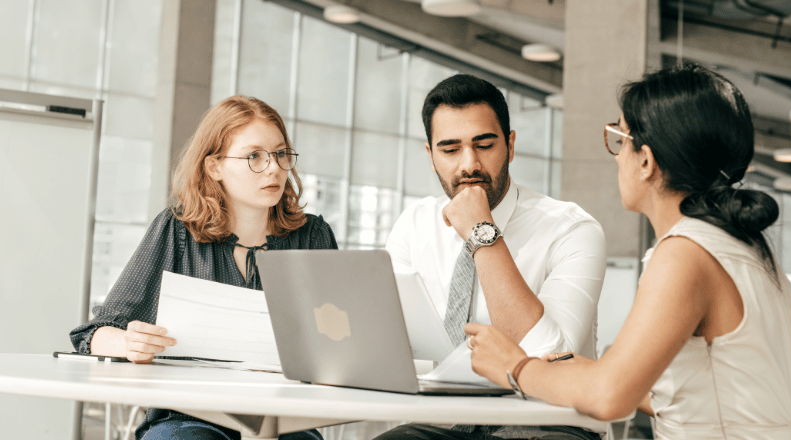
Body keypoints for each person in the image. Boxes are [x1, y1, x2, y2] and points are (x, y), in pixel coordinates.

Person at [466, 64, 791, 439]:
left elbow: (610, 398)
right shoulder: (750, 249)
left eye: (620, 139)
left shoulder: (685, 255)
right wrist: (587, 372)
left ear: (646, 160)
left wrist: (517, 368)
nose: (617, 156)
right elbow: (719, 395)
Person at [70, 96, 336, 440]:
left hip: (287, 418)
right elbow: (92, 336)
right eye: (254, 156)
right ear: (214, 167)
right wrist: (128, 343)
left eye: (281, 154)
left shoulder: (312, 236)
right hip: (189, 416)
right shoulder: (178, 230)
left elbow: (338, 345)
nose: (273, 167)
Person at [377, 74, 607, 440]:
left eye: (484, 145)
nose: (469, 165)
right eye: (450, 150)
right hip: (441, 422)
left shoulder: (572, 229)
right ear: (431, 155)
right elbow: (388, 342)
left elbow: (549, 357)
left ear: (510, 146)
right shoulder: (415, 223)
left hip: (546, 422)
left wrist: (482, 233)